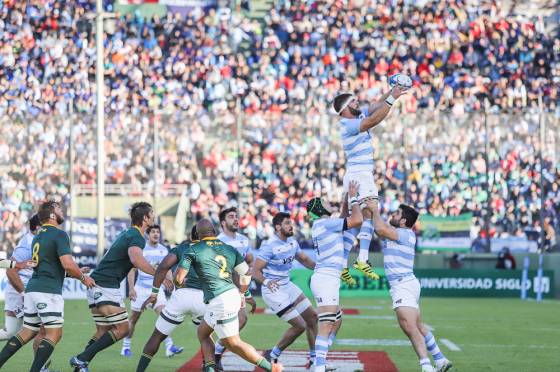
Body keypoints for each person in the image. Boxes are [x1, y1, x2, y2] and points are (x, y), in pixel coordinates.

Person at [174, 219, 283, 372]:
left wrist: (180, 285)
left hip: (219, 300)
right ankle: (210, 368)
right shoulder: (229, 248)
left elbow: (178, 279)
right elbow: (247, 272)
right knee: (203, 332)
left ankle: (271, 368)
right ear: (213, 231)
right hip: (230, 295)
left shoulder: (193, 249)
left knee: (234, 343)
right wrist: (243, 292)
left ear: (198, 235)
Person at [0, 201, 95, 372]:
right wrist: (82, 277)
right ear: (52, 215)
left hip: (33, 289)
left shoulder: (38, 236)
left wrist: (75, 272)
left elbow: (50, 266)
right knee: (54, 334)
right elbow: (67, 263)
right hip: (47, 291)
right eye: (59, 208)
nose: (62, 211)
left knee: (27, 331)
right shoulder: (59, 234)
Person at [70, 202, 158, 372]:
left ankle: (79, 366)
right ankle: (81, 359)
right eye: (152, 213)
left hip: (97, 282)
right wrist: (157, 273)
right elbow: (136, 260)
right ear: (145, 218)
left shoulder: (128, 232)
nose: (154, 216)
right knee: (123, 328)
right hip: (105, 284)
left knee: (103, 330)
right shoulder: (136, 236)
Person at [332, 83, 408, 279]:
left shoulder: (355, 116)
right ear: (345, 109)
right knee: (372, 209)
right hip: (359, 172)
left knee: (360, 218)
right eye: (354, 101)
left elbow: (375, 106)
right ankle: (361, 259)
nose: (358, 102)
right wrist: (393, 99)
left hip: (359, 172)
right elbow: (373, 119)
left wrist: (392, 92)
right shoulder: (349, 124)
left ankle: (344, 263)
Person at [370, 200, 452, 372]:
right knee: (419, 326)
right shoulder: (398, 233)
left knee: (409, 327)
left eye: (397, 213)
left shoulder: (404, 233)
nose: (393, 214)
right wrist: (371, 214)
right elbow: (379, 230)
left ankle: (426, 366)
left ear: (403, 221)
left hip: (403, 285)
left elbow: (380, 229)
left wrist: (374, 208)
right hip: (407, 283)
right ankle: (440, 359)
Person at [306, 181, 364, 372]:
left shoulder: (323, 224)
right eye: (324, 202)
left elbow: (343, 217)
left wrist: (345, 200)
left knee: (337, 320)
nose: (328, 202)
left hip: (327, 278)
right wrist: (354, 196)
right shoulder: (326, 224)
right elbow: (356, 220)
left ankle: (319, 358)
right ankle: (319, 366)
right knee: (326, 324)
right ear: (320, 208)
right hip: (326, 278)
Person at [136, 226, 206, 372]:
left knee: (156, 336)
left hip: (180, 296)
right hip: (202, 298)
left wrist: (154, 293)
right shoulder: (213, 248)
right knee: (206, 338)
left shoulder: (181, 248)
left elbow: (163, 267)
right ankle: (210, 367)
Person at [252, 212, 318, 366]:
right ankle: (272, 354)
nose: (291, 226)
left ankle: (315, 360)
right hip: (273, 291)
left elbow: (305, 259)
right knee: (300, 325)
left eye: (291, 223)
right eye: (287, 223)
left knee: (313, 318)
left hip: (287, 285)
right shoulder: (269, 246)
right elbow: (255, 270)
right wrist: (266, 281)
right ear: (277, 227)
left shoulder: (292, 242)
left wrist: (321, 269)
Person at [121, 225, 182, 358]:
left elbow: (167, 269)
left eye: (158, 232)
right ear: (147, 234)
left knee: (164, 316)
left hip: (157, 289)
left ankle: (169, 346)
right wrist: (131, 288)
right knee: (134, 319)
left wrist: (170, 282)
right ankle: (125, 346)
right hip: (141, 289)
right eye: (153, 232)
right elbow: (132, 270)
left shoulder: (163, 250)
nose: (156, 234)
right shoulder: (141, 248)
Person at [214, 207, 257, 367]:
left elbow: (250, 261)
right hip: (222, 288)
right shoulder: (218, 241)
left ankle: (215, 353)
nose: (236, 219)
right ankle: (212, 357)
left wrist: (245, 287)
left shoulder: (244, 240)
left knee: (242, 319)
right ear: (223, 222)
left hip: (238, 289)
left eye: (236, 216)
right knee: (215, 324)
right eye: (231, 216)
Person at [1, 214, 41, 340]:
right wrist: (23, 293)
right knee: (11, 332)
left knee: (42, 328)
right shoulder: (28, 244)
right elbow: (10, 271)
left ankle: (40, 360)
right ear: (38, 227)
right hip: (19, 291)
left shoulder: (39, 241)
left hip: (30, 290)